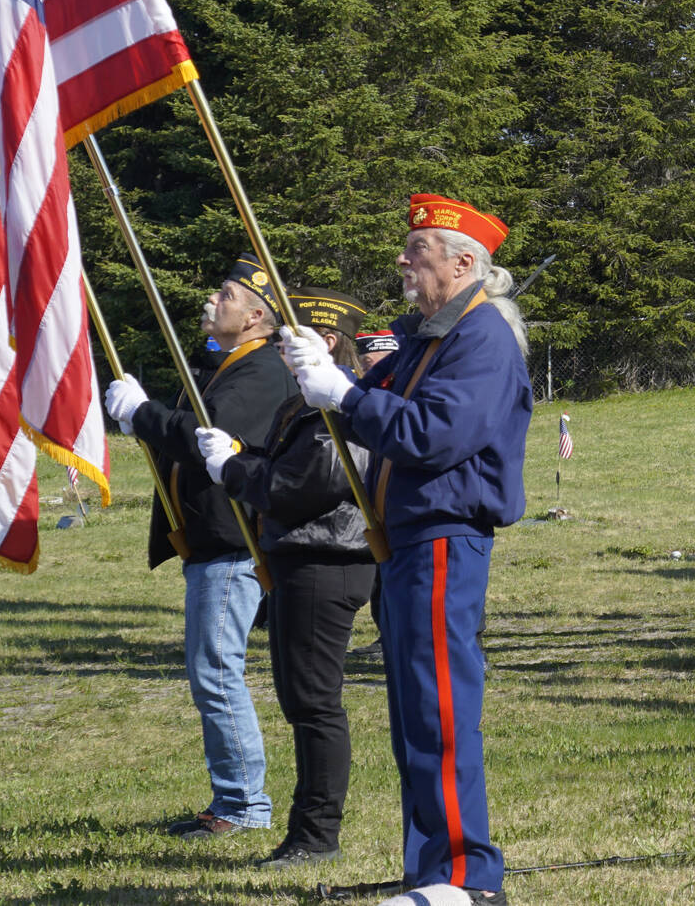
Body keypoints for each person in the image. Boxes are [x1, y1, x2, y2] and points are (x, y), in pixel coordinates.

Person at [281, 196, 529, 905]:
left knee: (441, 709)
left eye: (417, 247)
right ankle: (432, 872)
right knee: (415, 715)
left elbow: (435, 432)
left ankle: (465, 875)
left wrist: (344, 394)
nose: (402, 259)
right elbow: (371, 398)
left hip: (444, 537)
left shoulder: (481, 337)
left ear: (462, 261)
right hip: (406, 544)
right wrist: (323, 371)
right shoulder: (431, 335)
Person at [104, 253, 297, 841]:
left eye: (227, 296)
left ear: (258, 316)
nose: (212, 302)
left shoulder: (261, 373)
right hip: (214, 542)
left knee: (216, 672)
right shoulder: (229, 365)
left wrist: (142, 414)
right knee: (212, 670)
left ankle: (243, 805)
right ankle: (235, 798)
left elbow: (206, 439)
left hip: (233, 542)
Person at [206, 287, 378, 869]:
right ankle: (309, 829)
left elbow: (303, 485)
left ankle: (315, 835)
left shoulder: (335, 405)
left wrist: (232, 468)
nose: (280, 345)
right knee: (303, 700)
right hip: (303, 557)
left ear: (326, 341)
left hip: (325, 560)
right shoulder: (305, 402)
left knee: (313, 703)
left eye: (289, 336)